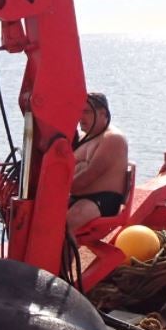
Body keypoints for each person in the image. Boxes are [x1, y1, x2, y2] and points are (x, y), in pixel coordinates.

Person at [67, 92, 129, 232]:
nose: (80, 117)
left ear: (103, 114)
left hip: (101, 200)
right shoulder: (85, 138)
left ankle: (63, 254)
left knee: (66, 224)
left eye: (87, 112)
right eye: (79, 111)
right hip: (77, 196)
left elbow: (89, 175)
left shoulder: (112, 139)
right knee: (43, 215)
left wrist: (59, 188)